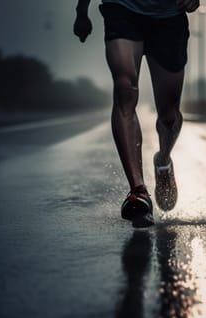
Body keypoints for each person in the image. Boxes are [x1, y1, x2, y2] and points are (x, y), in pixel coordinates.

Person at [74, 0, 199, 228]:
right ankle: (138, 191)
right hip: (121, 9)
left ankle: (163, 161)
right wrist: (81, 11)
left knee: (169, 114)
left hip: (169, 14)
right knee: (124, 89)